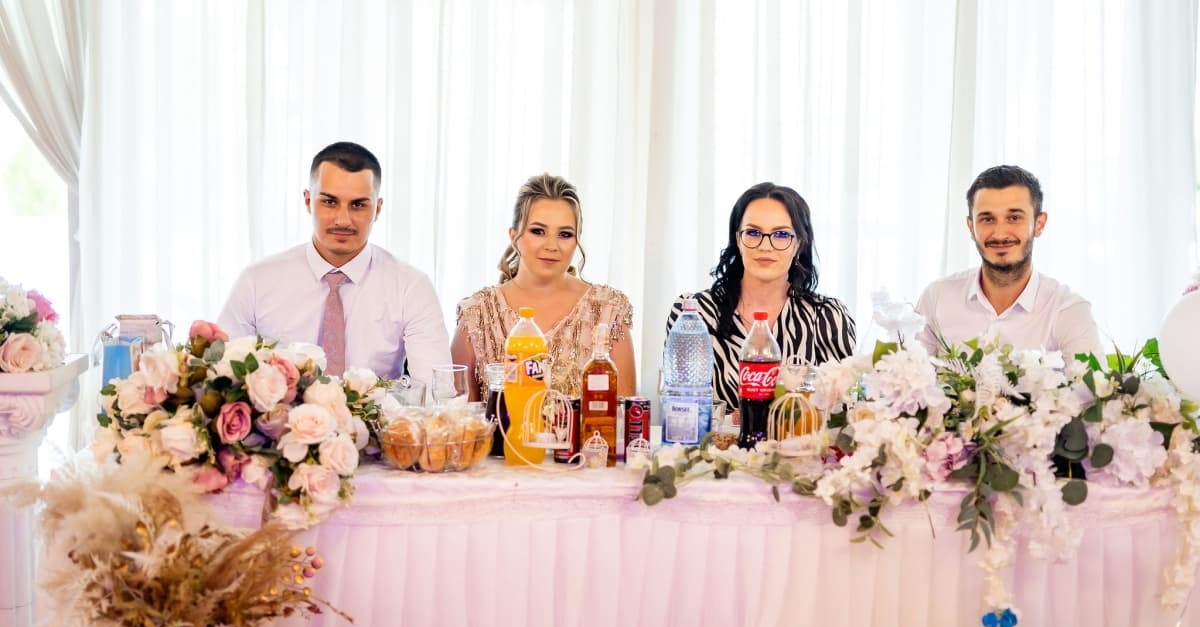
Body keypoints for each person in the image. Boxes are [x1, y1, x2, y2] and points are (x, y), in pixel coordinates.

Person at [218, 141, 450, 383]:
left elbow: (436, 391)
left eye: (358, 205)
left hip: (382, 409)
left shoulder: (411, 287)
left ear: (378, 209)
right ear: (308, 201)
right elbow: (221, 377)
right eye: (329, 202)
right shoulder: (257, 281)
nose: (343, 220)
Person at [665, 182, 856, 410]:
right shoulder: (693, 314)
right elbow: (679, 407)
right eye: (753, 233)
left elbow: (844, 410)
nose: (765, 246)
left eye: (781, 234)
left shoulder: (828, 315)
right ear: (738, 239)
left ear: (799, 244)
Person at [451, 173, 636, 401]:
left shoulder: (608, 311)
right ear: (514, 237)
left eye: (565, 234)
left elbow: (624, 415)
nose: (551, 246)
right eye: (538, 231)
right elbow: (458, 416)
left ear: (577, 241)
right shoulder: (477, 313)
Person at [915, 165, 1102, 358]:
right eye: (987, 219)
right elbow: (908, 374)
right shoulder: (937, 298)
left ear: (1039, 224)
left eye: (1014, 218)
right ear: (971, 227)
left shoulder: (1069, 311)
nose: (1000, 234)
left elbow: (1088, 379)